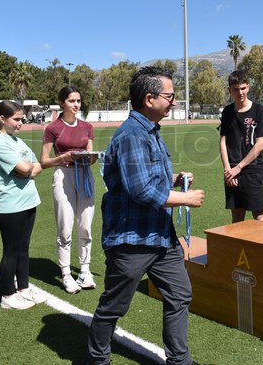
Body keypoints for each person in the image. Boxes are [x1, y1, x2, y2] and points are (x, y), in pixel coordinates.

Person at [88, 66, 205, 365]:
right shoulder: (131, 135)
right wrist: (186, 198)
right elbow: (141, 191)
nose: (174, 102)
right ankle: (98, 359)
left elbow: (147, 177)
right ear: (149, 98)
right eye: (170, 96)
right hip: (132, 240)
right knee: (114, 306)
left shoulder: (149, 131)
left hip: (160, 237)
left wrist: (175, 178)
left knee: (179, 295)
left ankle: (179, 360)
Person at [0, 100, 47, 310]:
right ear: (2, 119)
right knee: (11, 250)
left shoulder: (16, 141)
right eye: (17, 119)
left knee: (23, 249)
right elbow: (25, 167)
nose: (21, 123)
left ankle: (24, 289)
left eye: (22, 119)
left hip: (28, 201)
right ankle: (8, 296)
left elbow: (37, 166)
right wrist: (27, 169)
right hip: (10, 205)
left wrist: (27, 169)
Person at [41, 86, 98, 294]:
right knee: (65, 228)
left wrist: (93, 158)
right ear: (62, 103)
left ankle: (84, 271)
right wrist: (62, 158)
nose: (76, 105)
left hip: (85, 176)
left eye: (78, 101)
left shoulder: (87, 127)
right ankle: (66, 274)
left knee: (86, 227)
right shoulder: (52, 128)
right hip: (63, 175)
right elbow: (44, 161)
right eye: (72, 101)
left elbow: (90, 156)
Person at [219, 70, 263, 223]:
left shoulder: (259, 110)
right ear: (229, 90)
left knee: (260, 219)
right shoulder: (227, 112)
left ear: (248, 87)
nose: (240, 92)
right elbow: (223, 142)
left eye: (243, 88)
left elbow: (261, 143)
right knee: (237, 219)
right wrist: (228, 170)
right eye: (236, 89)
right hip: (232, 171)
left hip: (253, 170)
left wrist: (239, 168)